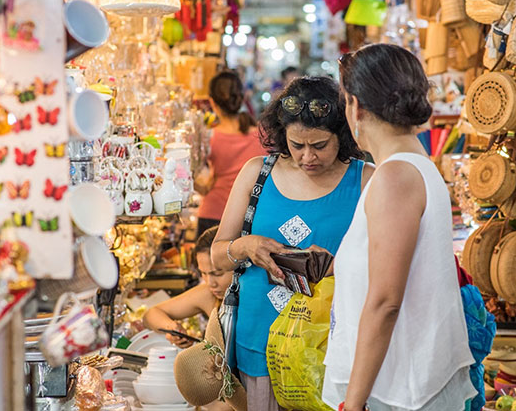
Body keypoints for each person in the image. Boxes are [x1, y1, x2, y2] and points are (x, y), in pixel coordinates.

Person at [322, 43, 476, 411]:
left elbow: (385, 301)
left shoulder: (395, 176)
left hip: (397, 391)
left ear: (356, 106)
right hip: (399, 383)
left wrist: (353, 403)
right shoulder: (411, 166)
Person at [211, 76, 374, 411]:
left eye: (319, 145)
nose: (307, 157)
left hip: (332, 347)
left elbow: (390, 269)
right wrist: (247, 247)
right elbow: (217, 255)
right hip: (259, 341)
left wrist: (336, 267)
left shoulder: (367, 180)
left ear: (342, 136)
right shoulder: (257, 173)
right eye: (297, 145)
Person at [196, 71, 266, 237]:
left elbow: (193, 177)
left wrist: (202, 186)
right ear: (242, 98)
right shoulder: (263, 136)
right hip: (249, 218)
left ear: (212, 102)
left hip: (213, 213)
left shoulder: (209, 137)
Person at [143, 226, 230, 349]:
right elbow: (150, 315)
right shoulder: (208, 294)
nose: (211, 283)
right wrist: (172, 327)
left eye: (217, 274)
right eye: (203, 273)